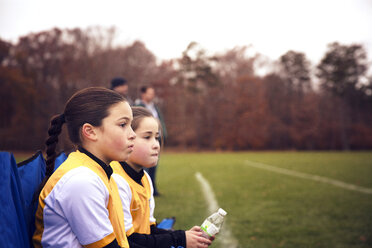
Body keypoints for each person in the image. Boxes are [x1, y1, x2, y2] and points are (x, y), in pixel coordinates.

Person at [33, 87, 137, 248]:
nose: (133, 134)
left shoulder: (100, 171)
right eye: (123, 124)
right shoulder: (81, 180)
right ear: (90, 131)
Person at [111, 107, 213, 248]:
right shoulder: (116, 180)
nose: (156, 145)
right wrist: (179, 239)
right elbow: (127, 240)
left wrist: (186, 236)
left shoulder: (145, 178)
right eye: (147, 137)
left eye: (157, 137)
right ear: (127, 137)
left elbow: (149, 230)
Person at [135, 85, 167, 196]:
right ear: (143, 94)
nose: (152, 95)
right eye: (150, 93)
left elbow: (160, 121)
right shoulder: (138, 106)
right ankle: (143, 189)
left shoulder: (155, 107)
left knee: (154, 164)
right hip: (148, 139)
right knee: (144, 166)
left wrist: (162, 135)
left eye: (153, 93)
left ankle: (153, 189)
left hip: (155, 137)